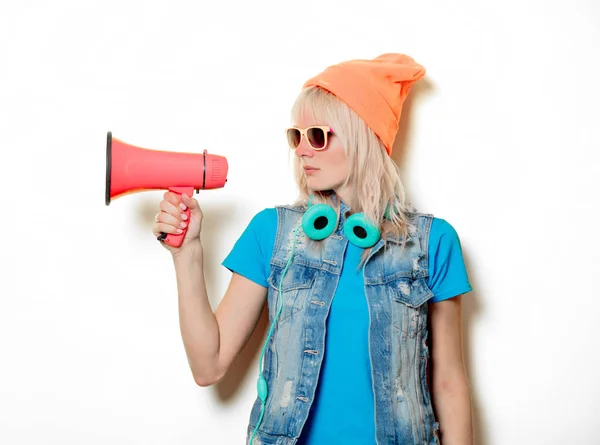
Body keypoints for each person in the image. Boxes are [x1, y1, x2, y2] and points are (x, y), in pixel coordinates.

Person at [152, 53, 474, 445]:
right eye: (296, 137)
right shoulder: (273, 233)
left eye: (318, 135)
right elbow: (208, 366)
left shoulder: (433, 242)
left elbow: (449, 383)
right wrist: (187, 253)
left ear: (363, 136)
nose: (303, 150)